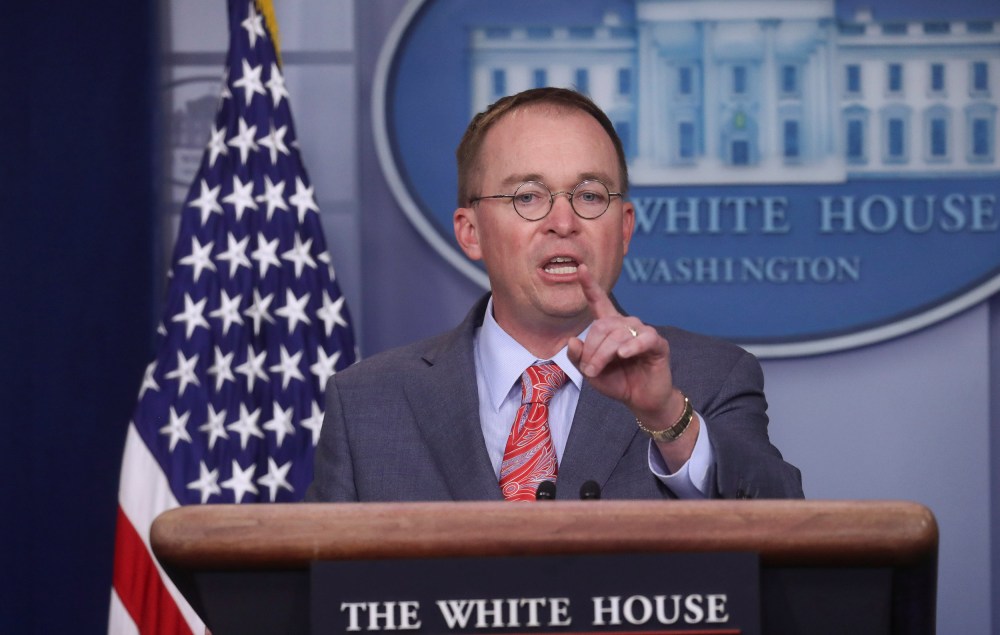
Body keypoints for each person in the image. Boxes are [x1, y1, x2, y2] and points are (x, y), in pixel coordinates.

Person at [306, 87, 802, 502]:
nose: (563, 223)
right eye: (527, 196)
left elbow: (787, 539)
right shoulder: (368, 403)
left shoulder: (709, 379)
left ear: (624, 228)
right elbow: (323, 582)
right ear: (470, 232)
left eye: (589, 195)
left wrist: (668, 418)